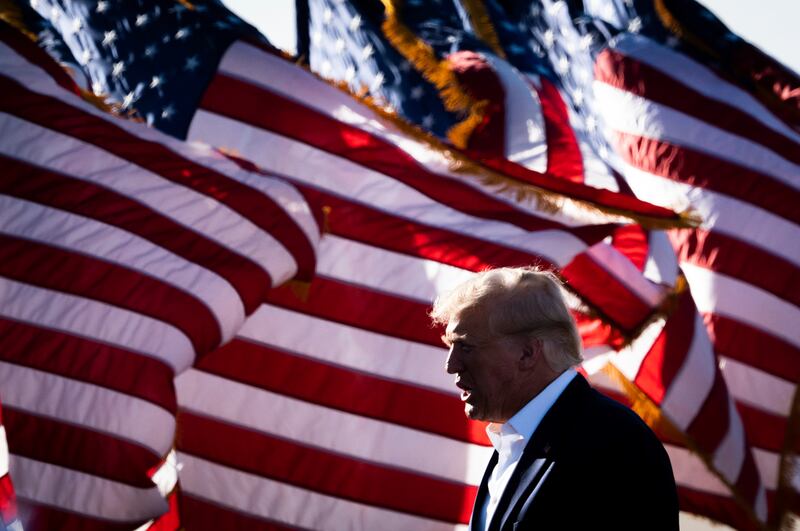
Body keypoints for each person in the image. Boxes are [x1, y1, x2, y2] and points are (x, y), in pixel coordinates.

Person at [430, 267, 679, 531]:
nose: (451, 365)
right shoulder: (515, 441)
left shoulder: (616, 444)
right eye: (451, 346)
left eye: (466, 347)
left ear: (527, 353)